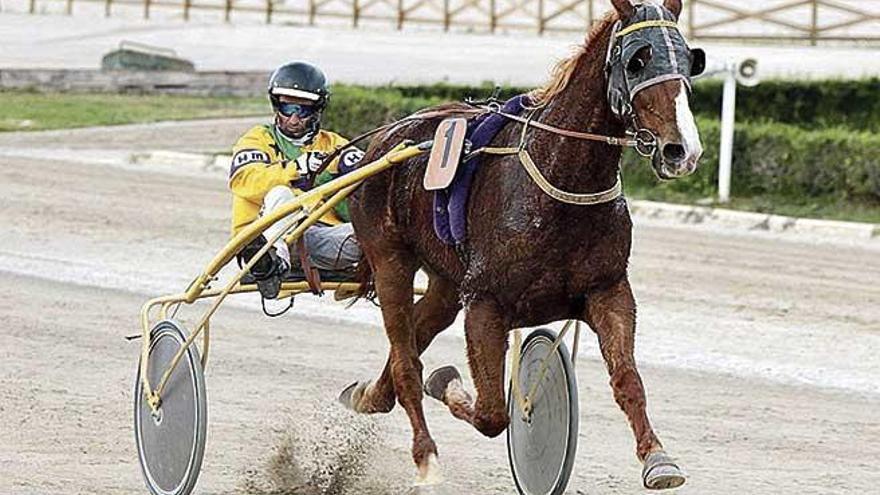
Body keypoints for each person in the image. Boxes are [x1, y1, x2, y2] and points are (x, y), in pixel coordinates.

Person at [229, 61, 364, 298]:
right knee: (282, 194)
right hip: (265, 238)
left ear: (318, 109)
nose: (293, 118)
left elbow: (369, 178)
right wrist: (295, 169)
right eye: (287, 108)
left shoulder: (336, 146)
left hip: (317, 241)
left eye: (302, 110)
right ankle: (272, 265)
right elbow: (244, 180)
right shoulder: (258, 139)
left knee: (380, 233)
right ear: (276, 105)